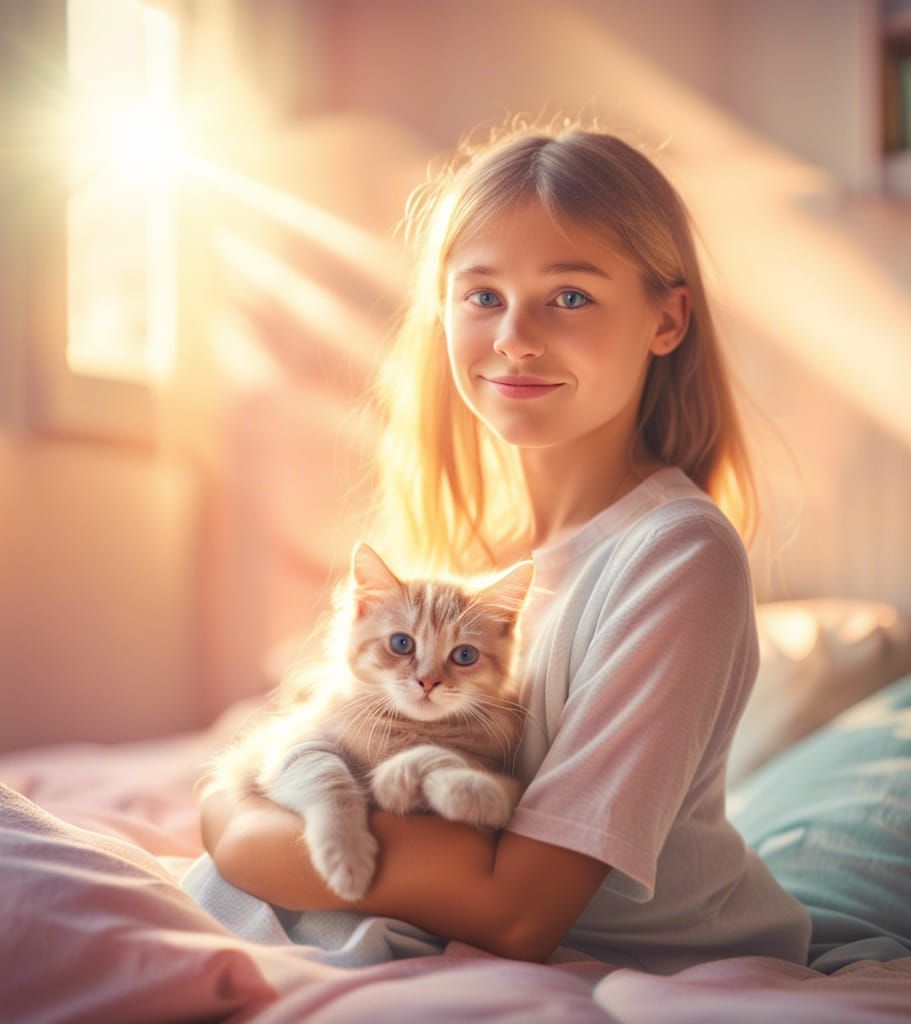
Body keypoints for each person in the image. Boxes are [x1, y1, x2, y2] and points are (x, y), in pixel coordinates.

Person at [198, 116, 813, 975]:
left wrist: (230, 823)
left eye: (570, 297)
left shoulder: (677, 559)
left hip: (628, 955)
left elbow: (517, 911)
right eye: (483, 296)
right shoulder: (475, 557)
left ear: (667, 319)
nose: (515, 336)